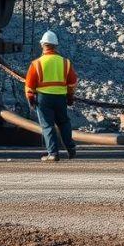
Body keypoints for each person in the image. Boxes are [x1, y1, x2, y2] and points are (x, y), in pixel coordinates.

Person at [25, 30, 78, 162]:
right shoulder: (65, 63)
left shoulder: (36, 63)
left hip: (44, 99)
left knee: (48, 126)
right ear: (56, 45)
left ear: (42, 45)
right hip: (60, 98)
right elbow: (72, 83)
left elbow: (29, 85)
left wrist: (30, 99)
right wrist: (70, 97)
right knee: (64, 123)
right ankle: (71, 149)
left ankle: (53, 153)